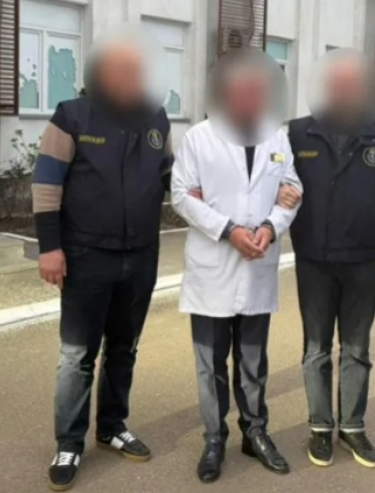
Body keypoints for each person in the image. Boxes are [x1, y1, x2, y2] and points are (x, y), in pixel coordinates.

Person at [32, 37, 172, 492]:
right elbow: (47, 182)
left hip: (141, 255)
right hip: (86, 255)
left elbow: (173, 177)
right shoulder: (72, 116)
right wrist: (50, 248)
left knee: (124, 348)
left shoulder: (156, 118)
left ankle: (112, 426)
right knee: (77, 355)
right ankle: (69, 442)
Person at [170, 51, 302, 483]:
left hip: (258, 263)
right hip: (213, 267)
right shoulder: (199, 137)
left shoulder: (277, 138)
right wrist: (228, 230)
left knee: (253, 360)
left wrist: (269, 226)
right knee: (210, 364)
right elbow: (182, 195)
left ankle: (255, 432)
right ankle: (214, 439)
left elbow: (292, 190)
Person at [285, 50, 375, 469]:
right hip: (314, 259)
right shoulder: (298, 133)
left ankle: (353, 426)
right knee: (316, 348)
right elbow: (274, 185)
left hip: (361, 259)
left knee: (356, 348)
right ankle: (321, 428)